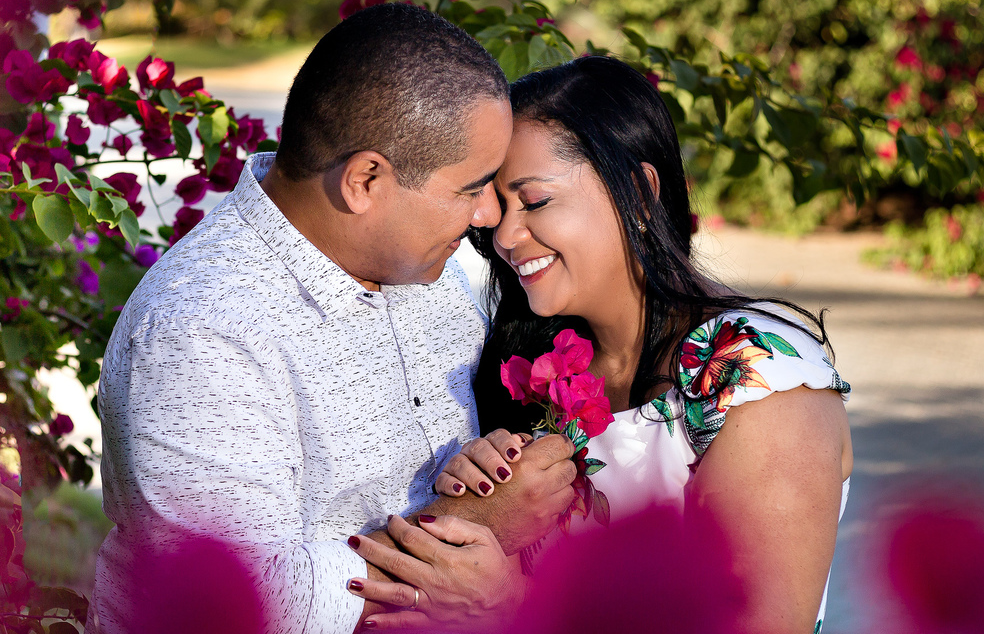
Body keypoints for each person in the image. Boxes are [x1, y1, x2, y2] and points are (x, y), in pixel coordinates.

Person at [87, 4, 579, 634]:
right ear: (365, 181)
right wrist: (485, 525)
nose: (488, 215)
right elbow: (233, 601)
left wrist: (485, 465)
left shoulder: (421, 265)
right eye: (471, 188)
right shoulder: (204, 328)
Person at [347, 55, 853, 633]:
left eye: (535, 202)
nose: (506, 236)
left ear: (638, 192)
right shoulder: (544, 366)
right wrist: (479, 508)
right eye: (498, 210)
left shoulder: (756, 374)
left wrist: (515, 607)